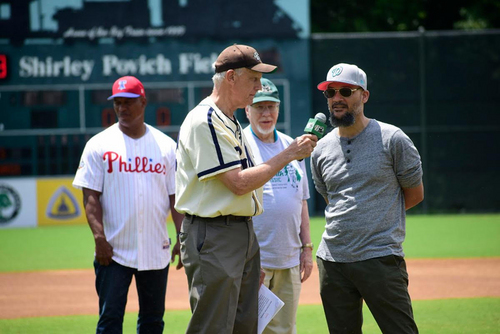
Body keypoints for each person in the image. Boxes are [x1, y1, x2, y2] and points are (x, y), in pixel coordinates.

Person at [175, 44, 318, 334]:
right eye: (253, 79)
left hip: (239, 234)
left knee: (244, 326)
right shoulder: (206, 120)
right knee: (213, 326)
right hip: (214, 234)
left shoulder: (230, 119)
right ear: (230, 77)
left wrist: (248, 252)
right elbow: (238, 183)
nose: (259, 86)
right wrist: (289, 154)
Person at [310, 63, 424, 334]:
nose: (337, 98)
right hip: (332, 261)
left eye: (346, 91)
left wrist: (379, 216)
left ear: (364, 95)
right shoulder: (320, 150)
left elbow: (415, 194)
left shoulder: (392, 139)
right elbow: (332, 199)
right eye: (331, 92)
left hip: (379, 257)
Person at [73, 76, 184, 334]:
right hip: (113, 251)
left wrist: (182, 236)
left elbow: (175, 197)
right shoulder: (98, 145)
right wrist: (99, 238)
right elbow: (90, 197)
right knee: (110, 321)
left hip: (155, 250)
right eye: (118, 103)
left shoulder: (166, 146)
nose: (122, 108)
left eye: (129, 102)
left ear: (143, 102)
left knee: (153, 322)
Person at [243, 78, 313, 334]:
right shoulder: (239, 145)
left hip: (289, 259)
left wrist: (306, 248)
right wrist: (249, 259)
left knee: (284, 330)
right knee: (249, 328)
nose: (266, 113)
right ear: (247, 110)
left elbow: (301, 200)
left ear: (279, 109)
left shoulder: (292, 146)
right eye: (259, 106)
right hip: (254, 261)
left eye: (271, 106)